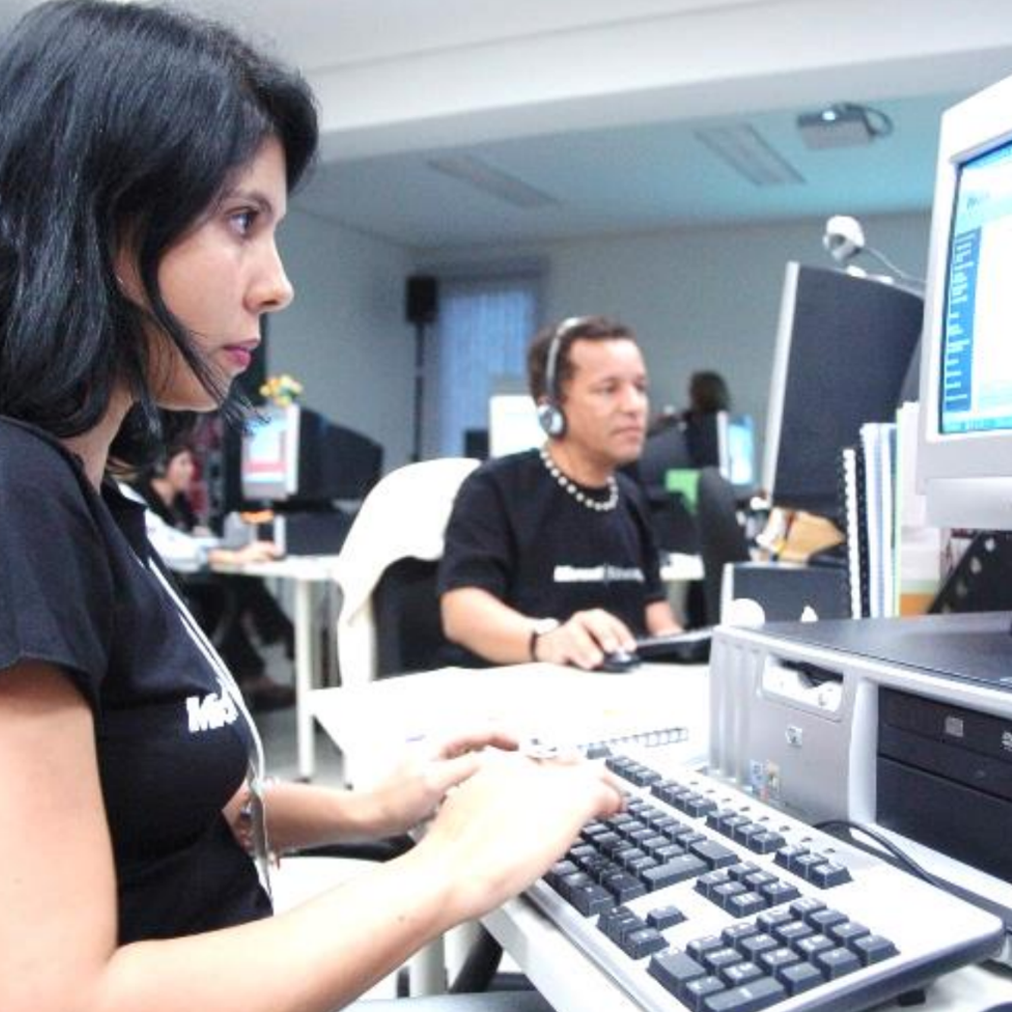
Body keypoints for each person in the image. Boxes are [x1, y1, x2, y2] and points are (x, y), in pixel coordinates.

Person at [0, 6, 623, 1012]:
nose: (278, 285)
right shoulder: (15, 496)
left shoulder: (86, 492)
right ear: (99, 218)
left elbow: (146, 800)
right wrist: (445, 870)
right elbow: (55, 997)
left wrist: (371, 804)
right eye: (241, 222)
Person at [438, 315, 682, 671]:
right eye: (608, 389)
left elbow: (655, 613)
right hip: (520, 706)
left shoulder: (629, 497)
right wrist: (547, 639)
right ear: (551, 408)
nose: (634, 406)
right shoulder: (496, 488)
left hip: (620, 704)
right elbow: (462, 612)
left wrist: (693, 652)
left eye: (640, 387)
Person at [132, 443, 297, 710]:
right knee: (228, 592)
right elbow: (168, 546)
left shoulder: (179, 501)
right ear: (162, 467)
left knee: (239, 585)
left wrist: (224, 549)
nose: (191, 470)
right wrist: (228, 555)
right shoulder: (139, 500)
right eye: (183, 463)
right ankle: (283, 641)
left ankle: (272, 651)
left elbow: (189, 537)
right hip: (169, 587)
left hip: (189, 576)